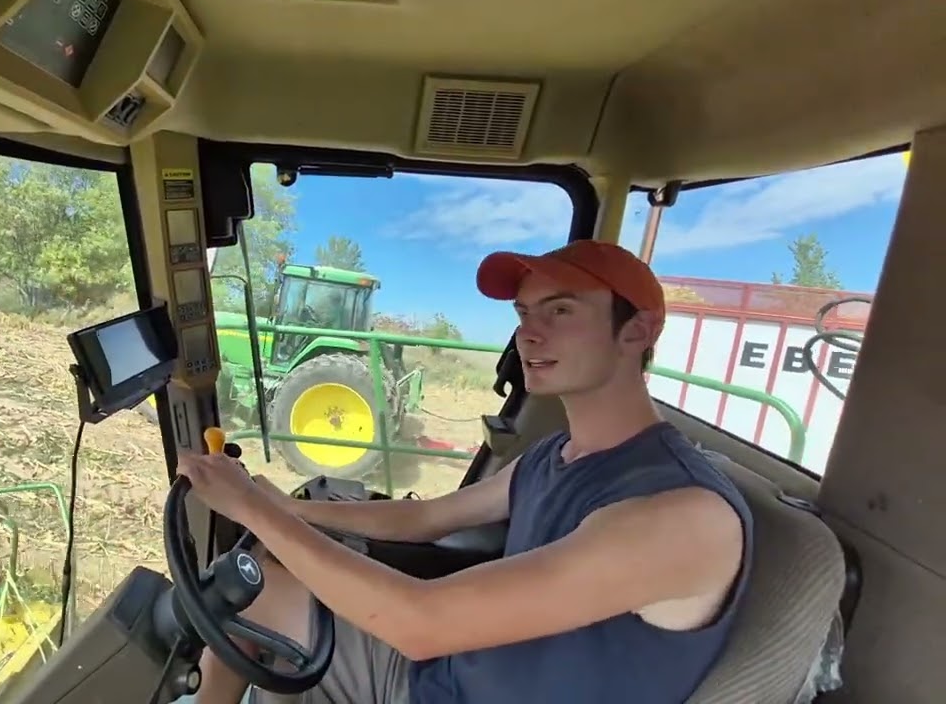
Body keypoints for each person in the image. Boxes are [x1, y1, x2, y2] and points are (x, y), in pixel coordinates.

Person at [179, 240, 754, 704]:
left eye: (561, 311)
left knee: (249, 591)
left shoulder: (683, 514)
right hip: (442, 678)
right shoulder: (554, 456)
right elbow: (427, 516)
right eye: (525, 314)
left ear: (638, 332)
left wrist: (252, 509)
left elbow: (421, 623)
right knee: (249, 583)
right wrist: (289, 508)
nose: (528, 334)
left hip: (431, 665)